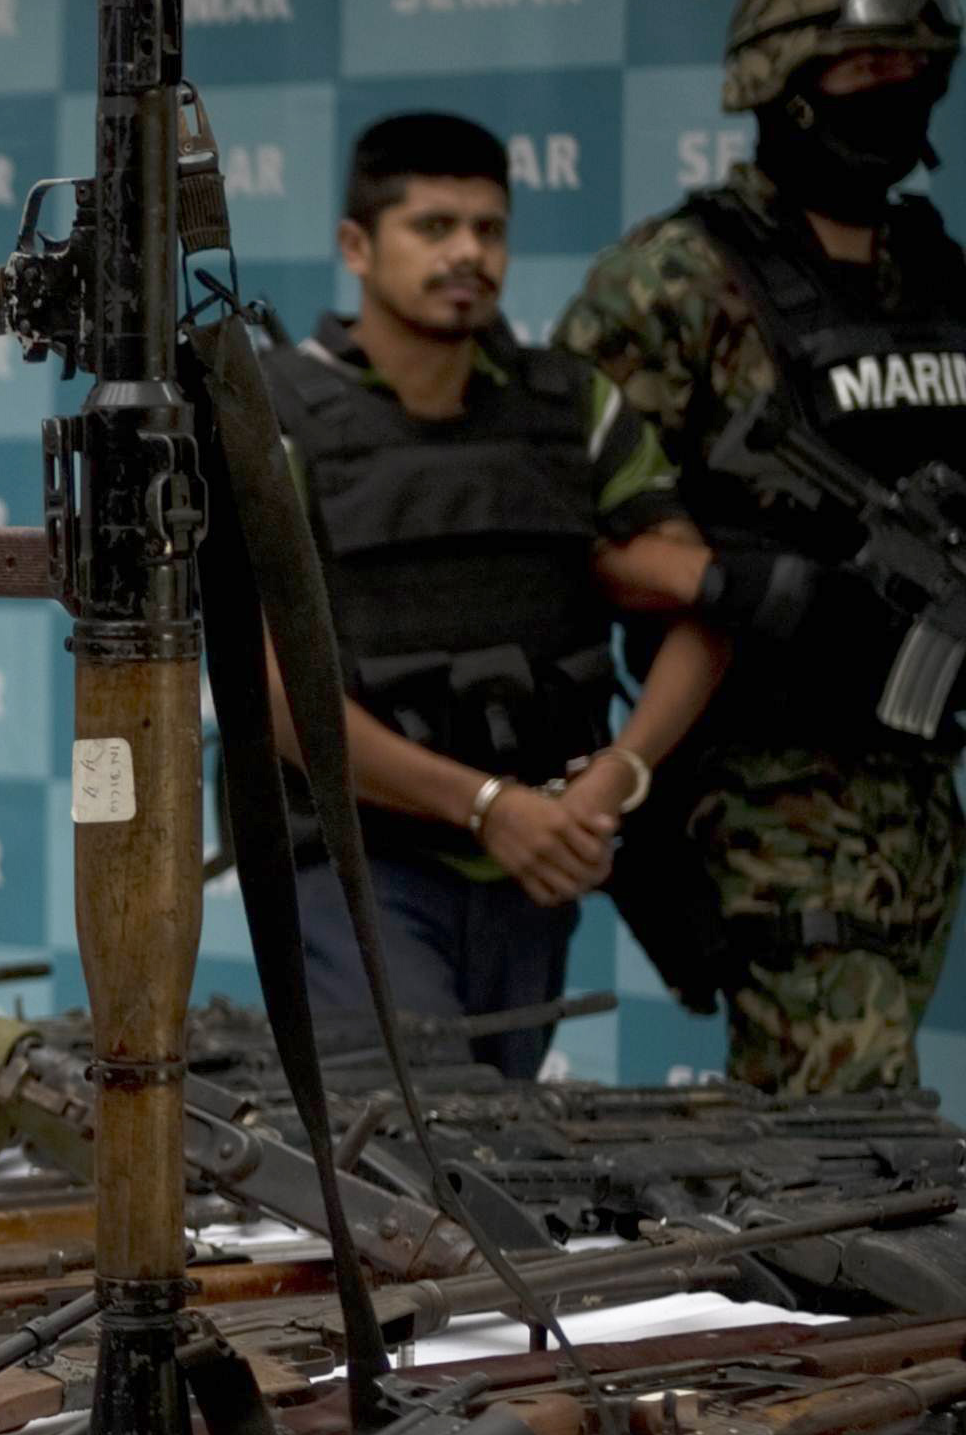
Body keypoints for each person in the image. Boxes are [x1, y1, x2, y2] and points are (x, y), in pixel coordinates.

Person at [557, 0, 966, 1095]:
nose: (892, 95)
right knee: (847, 1133)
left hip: (917, 791)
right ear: (778, 93)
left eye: (911, 70)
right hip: (764, 785)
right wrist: (746, 584)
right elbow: (560, 522)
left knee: (829, 1140)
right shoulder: (674, 281)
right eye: (861, 71)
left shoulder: (939, 278)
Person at [260, 114, 723, 1082]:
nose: (467, 251)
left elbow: (701, 602)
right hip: (358, 869)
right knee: (416, 1138)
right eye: (432, 227)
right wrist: (482, 806)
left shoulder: (570, 408)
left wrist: (614, 779)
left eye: (488, 228)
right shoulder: (274, 420)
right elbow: (272, 699)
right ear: (355, 246)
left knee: (495, 1146)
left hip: (534, 870)